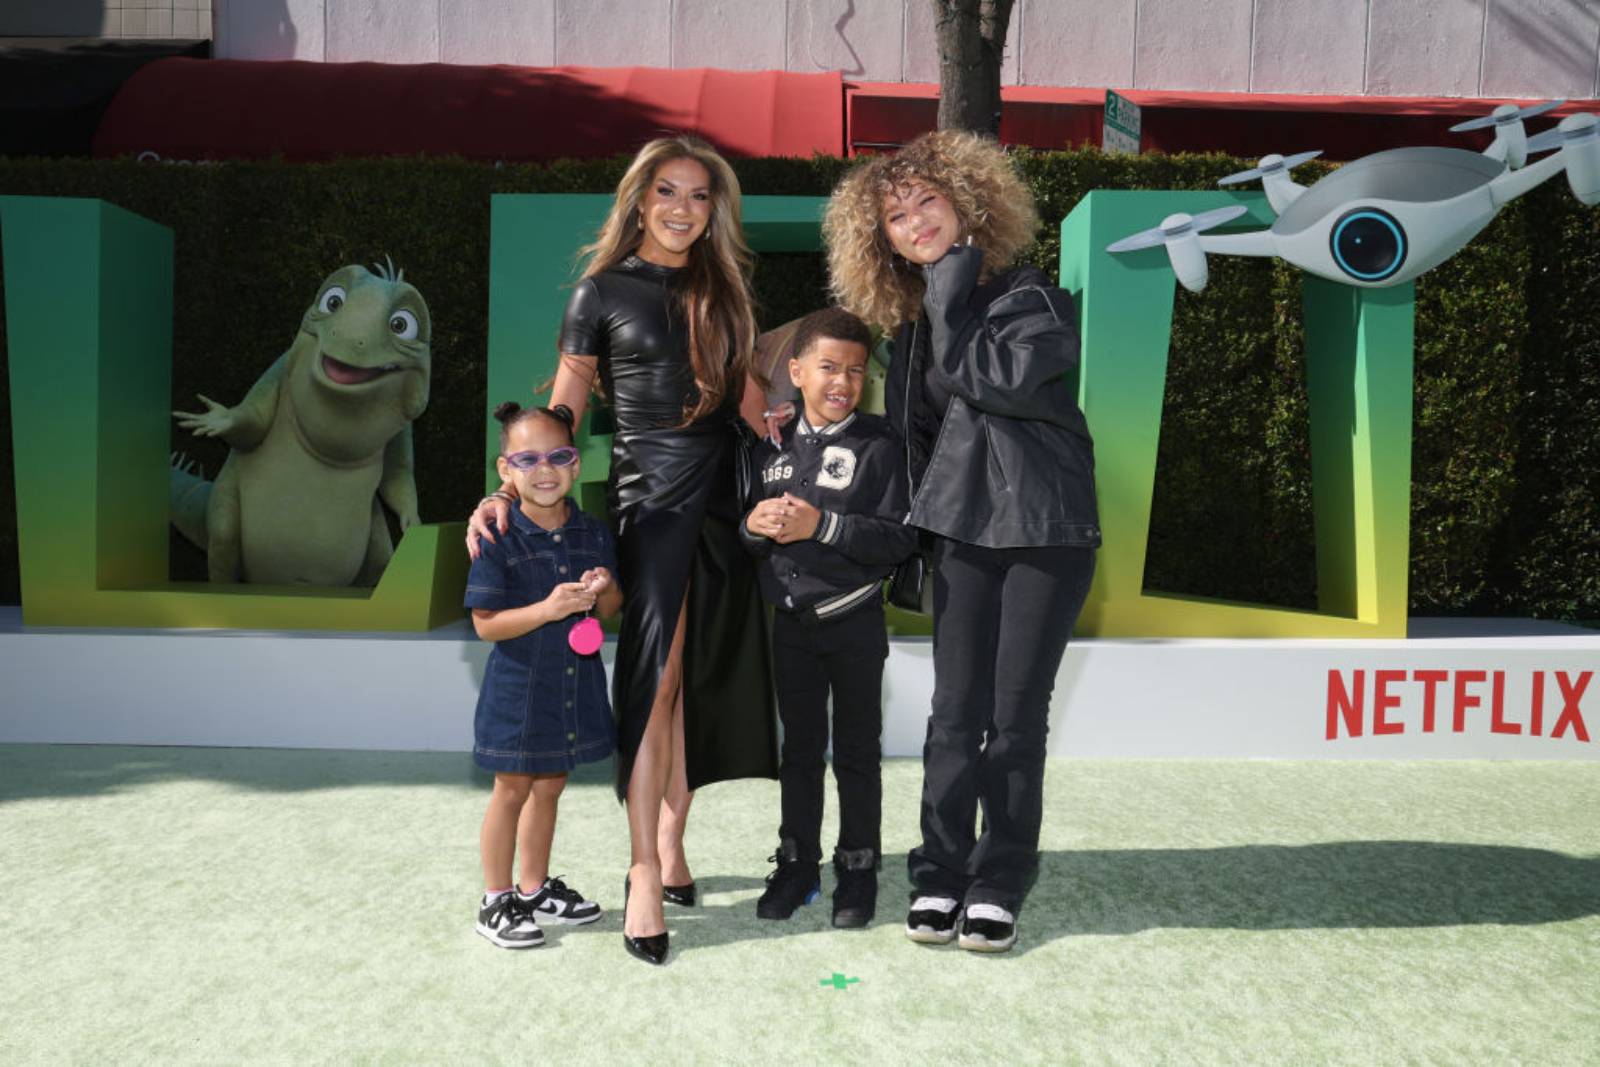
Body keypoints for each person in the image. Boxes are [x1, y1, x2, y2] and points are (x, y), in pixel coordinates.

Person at [468, 136, 779, 966]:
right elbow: (561, 412)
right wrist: (504, 489)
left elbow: (753, 403)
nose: (684, 208)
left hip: (727, 502)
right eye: (668, 192)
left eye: (701, 195)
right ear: (640, 200)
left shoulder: (726, 289)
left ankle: (674, 837)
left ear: (716, 209)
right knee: (656, 677)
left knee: (696, 680)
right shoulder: (599, 291)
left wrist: (801, 434)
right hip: (652, 503)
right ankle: (644, 867)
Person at [823, 130, 1101, 953]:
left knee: (1014, 718)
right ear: (882, 240)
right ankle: (940, 871)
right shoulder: (912, 334)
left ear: (970, 204)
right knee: (953, 713)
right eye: (897, 218)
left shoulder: (1035, 300)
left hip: (1045, 531)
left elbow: (999, 381)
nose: (914, 224)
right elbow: (916, 441)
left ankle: (1000, 875)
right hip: (962, 536)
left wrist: (947, 291)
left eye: (927, 204)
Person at [739, 307, 917, 929]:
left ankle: (859, 870)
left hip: (855, 623)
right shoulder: (771, 443)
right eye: (827, 367)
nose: (842, 381)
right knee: (801, 752)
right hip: (789, 626)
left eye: (855, 371)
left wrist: (824, 525)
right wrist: (752, 527)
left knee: (858, 753)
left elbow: (899, 539)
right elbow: (750, 529)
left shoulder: (880, 443)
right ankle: (797, 864)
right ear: (796, 371)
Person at [466, 402, 622, 949]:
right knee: (511, 789)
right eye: (527, 459)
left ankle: (533, 890)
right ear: (505, 470)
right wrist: (548, 610)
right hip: (519, 692)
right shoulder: (497, 536)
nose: (544, 469)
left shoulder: (593, 533)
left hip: (573, 687)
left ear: (576, 465)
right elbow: (485, 625)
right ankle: (495, 899)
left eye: (558, 456)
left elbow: (610, 612)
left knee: (551, 784)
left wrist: (604, 587)